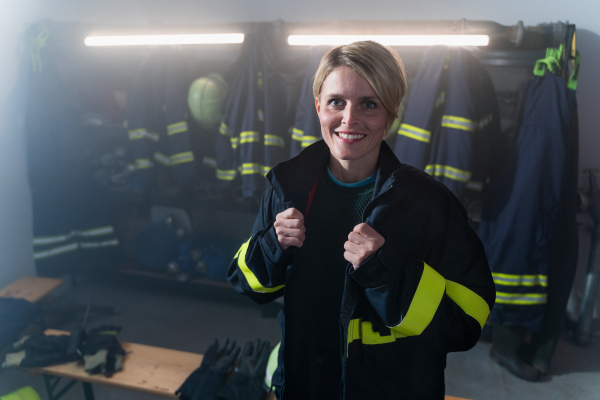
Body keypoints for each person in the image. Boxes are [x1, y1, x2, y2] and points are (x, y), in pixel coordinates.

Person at [227, 41, 496, 400]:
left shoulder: (429, 205)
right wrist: (272, 248)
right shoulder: (288, 188)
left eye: (369, 104)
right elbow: (247, 282)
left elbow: (468, 320)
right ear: (319, 106)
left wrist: (386, 275)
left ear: (391, 112)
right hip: (304, 384)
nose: (349, 119)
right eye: (337, 101)